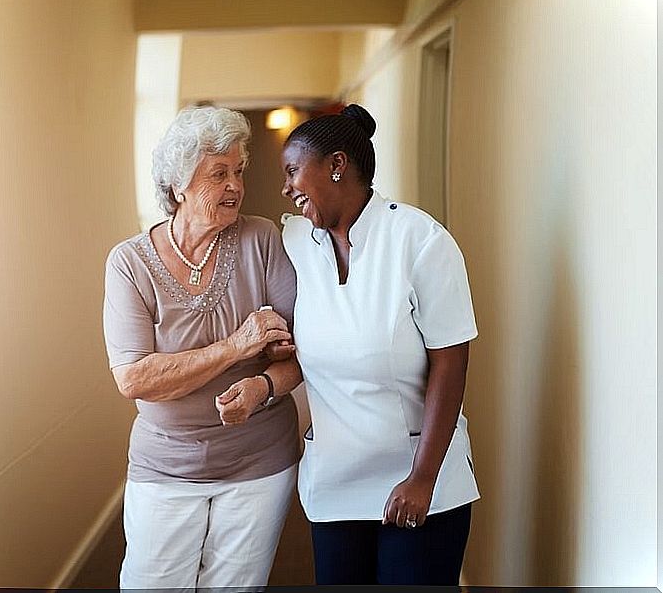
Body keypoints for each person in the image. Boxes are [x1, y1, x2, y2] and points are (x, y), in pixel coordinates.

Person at [279, 103, 480, 585]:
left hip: (416, 482)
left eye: (292, 171)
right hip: (335, 485)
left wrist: (422, 478)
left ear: (336, 165)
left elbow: (450, 364)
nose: (285, 188)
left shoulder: (421, 241)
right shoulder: (295, 244)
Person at [103, 105, 302, 590]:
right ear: (178, 186)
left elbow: (297, 352)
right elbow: (134, 378)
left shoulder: (261, 239)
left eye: (238, 171)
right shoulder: (131, 263)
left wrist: (261, 387)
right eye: (218, 174)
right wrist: (237, 347)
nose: (235, 185)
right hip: (165, 465)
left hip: (259, 461)